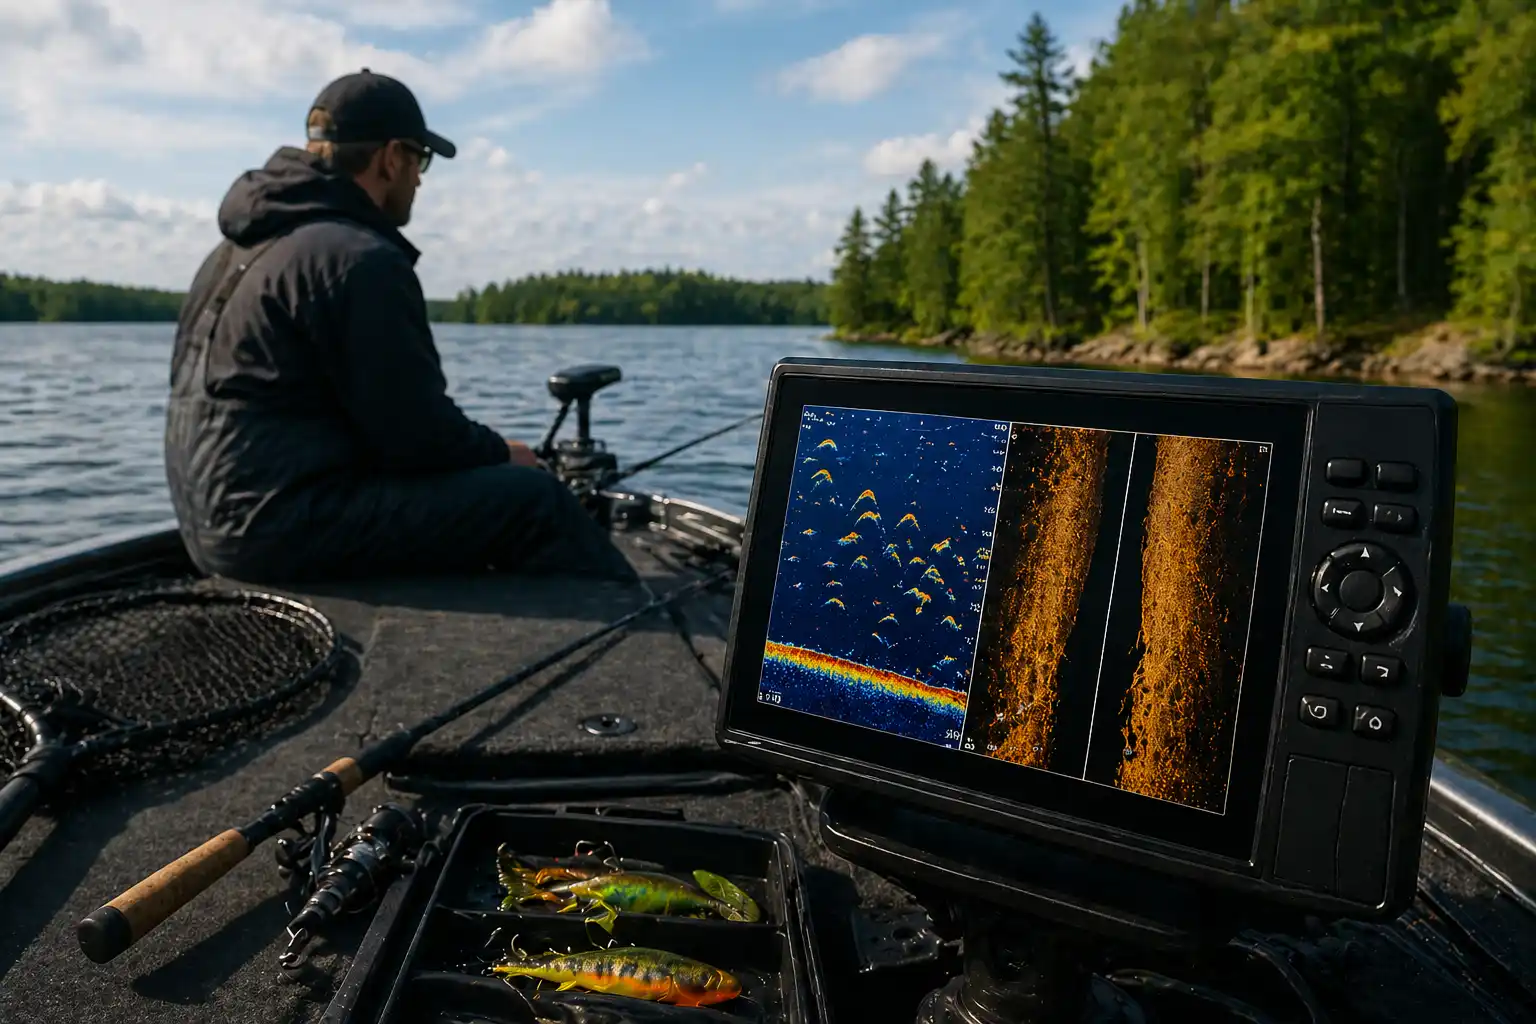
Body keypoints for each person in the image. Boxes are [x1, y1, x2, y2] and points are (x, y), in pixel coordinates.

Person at [164, 69, 636, 584]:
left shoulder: (229, 254)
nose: (420, 179)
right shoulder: (359, 260)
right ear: (390, 158)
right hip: (276, 534)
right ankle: (636, 621)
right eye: (420, 159)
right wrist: (505, 453)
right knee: (538, 501)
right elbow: (418, 438)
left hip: (207, 530)